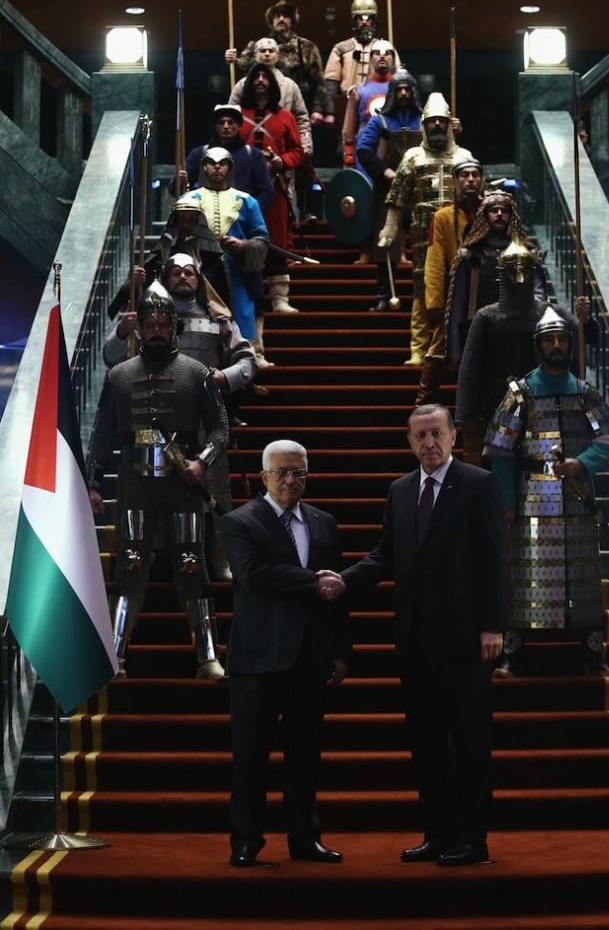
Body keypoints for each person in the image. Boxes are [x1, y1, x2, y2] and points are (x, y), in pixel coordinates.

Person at [340, 404, 507, 866]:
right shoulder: (399, 490)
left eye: (437, 433)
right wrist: (341, 581)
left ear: (454, 436)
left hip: (467, 640)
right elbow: (385, 556)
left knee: (469, 744)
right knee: (427, 744)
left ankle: (471, 839)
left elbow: (494, 560)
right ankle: (436, 834)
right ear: (409, 443)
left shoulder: (478, 483)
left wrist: (494, 624)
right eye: (420, 437)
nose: (429, 443)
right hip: (415, 642)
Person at [86, 282, 230, 679]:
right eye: (148, 324)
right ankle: (114, 655)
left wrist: (201, 463)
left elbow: (221, 430)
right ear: (139, 329)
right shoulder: (119, 376)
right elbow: (101, 433)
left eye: (162, 324)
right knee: (130, 564)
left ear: (173, 327)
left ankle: (207, 655)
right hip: (135, 481)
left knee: (191, 563)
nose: (155, 330)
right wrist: (94, 482)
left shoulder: (196, 373)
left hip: (183, 480)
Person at [222, 439, 350, 868]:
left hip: (309, 658)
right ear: (264, 477)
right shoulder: (240, 521)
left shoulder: (324, 522)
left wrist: (339, 651)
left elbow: (339, 597)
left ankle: (304, 837)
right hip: (257, 660)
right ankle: (245, 841)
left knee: (305, 756)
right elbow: (253, 575)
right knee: (250, 756)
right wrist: (314, 581)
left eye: (299, 473)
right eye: (283, 473)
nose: (292, 480)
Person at [483, 307, 609, 678]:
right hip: (532, 496)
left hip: (577, 495)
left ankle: (593, 652)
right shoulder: (520, 393)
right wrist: (508, 503)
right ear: (539, 346)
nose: (557, 345)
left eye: (562, 338)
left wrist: (583, 463)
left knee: (583, 574)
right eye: (549, 339)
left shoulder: (583, 392)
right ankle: (513, 651)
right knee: (525, 573)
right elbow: (500, 451)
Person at [104, 252, 259, 580]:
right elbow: (111, 359)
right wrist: (122, 333)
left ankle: (219, 556)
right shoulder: (148, 317)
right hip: (152, 420)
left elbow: (248, 361)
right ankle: (152, 559)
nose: (183, 278)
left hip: (203, 420)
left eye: (190, 272)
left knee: (212, 490)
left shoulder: (217, 318)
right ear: (167, 277)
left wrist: (224, 378)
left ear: (198, 278)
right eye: (176, 273)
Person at [455, 244, 594, 466]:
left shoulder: (548, 312)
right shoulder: (487, 316)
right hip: (497, 402)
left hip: (543, 400)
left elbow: (581, 336)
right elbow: (470, 368)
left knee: (542, 469)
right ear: (503, 273)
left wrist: (585, 320)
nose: (519, 276)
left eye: (524, 269)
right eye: (513, 269)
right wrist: (468, 415)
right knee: (501, 465)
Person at [378, 93, 472, 365]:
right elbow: (397, 199)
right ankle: (419, 350)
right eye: (432, 121)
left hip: (458, 235)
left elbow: (476, 197)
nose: (437, 126)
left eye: (442, 121)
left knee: (460, 291)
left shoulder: (463, 157)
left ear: (450, 124)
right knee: (423, 292)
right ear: (424, 124)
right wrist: (389, 230)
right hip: (424, 237)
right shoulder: (413, 157)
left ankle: (458, 349)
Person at [176, 146, 272, 366]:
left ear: (230, 167)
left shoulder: (247, 201)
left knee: (239, 317)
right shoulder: (188, 199)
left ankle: (245, 361)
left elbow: (261, 239)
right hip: (199, 273)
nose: (216, 167)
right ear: (204, 167)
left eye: (222, 163)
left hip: (236, 271)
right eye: (211, 162)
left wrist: (243, 245)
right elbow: (172, 239)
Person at [445, 188, 547, 367]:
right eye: (494, 210)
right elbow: (458, 306)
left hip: (519, 336)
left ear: (511, 216)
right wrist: (455, 350)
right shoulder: (469, 256)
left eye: (504, 210)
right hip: (479, 335)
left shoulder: (528, 255)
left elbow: (540, 301)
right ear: (484, 215)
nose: (499, 214)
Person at [236, 63, 305, 316]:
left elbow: (298, 151)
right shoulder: (236, 116)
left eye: (266, 76)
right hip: (241, 191)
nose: (261, 80)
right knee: (242, 240)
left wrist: (282, 162)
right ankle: (245, 294)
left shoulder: (285, 117)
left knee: (274, 239)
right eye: (257, 76)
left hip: (274, 189)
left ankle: (279, 298)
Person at [417, 156, 484, 403]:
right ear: (456, 181)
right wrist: (434, 304)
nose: (470, 180)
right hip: (454, 294)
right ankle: (423, 404)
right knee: (438, 348)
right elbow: (434, 262)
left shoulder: (492, 212)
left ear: (482, 179)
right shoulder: (443, 216)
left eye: (475, 174)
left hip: (484, 291)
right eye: (464, 175)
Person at [356, 67, 423, 280]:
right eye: (399, 89)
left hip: (419, 187)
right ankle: (385, 294)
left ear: (413, 92)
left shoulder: (424, 120)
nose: (403, 94)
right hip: (388, 187)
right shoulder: (379, 121)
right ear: (392, 92)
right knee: (385, 241)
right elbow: (364, 150)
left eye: (407, 89)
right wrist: (384, 171)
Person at [225, 0, 332, 124]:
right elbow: (243, 71)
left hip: (294, 105)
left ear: (292, 20)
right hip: (260, 107)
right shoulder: (258, 47)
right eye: (277, 16)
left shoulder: (305, 47)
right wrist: (232, 60)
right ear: (272, 20)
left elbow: (318, 81)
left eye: (286, 16)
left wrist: (318, 109)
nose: (281, 19)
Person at [174, 104, 275, 215]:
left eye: (231, 122)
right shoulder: (199, 154)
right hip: (205, 220)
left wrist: (249, 215)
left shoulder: (253, 155)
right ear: (216, 126)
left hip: (241, 222)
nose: (226, 126)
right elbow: (177, 190)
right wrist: (178, 181)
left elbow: (267, 193)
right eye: (221, 123)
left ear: (239, 125)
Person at [230, 37, 313, 158]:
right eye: (263, 51)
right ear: (255, 56)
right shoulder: (242, 85)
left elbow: (301, 118)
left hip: (281, 148)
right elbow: (231, 115)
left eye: (271, 51)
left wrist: (305, 144)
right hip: (247, 147)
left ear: (278, 56)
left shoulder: (290, 86)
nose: (267, 54)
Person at [324, 0, 401, 99]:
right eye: (360, 18)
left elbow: (398, 77)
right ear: (355, 20)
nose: (364, 22)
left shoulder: (385, 48)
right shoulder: (341, 48)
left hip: (379, 99)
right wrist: (330, 110)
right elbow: (331, 84)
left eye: (368, 18)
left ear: (374, 21)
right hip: (348, 100)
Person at [341, 39, 397, 170]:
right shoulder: (358, 91)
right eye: (377, 53)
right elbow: (349, 128)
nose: (382, 56)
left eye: (387, 53)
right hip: (366, 146)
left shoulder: (401, 90)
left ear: (393, 59)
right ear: (371, 58)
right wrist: (348, 154)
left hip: (392, 144)